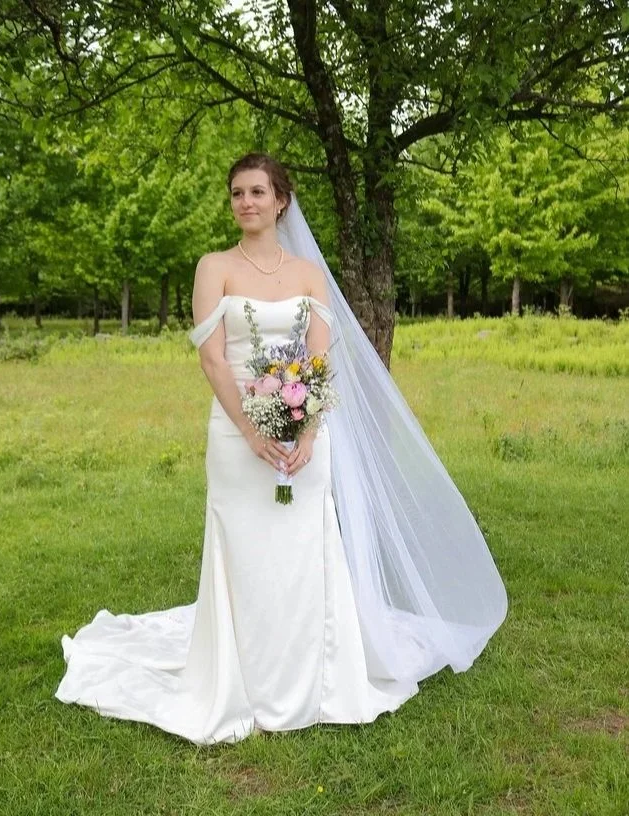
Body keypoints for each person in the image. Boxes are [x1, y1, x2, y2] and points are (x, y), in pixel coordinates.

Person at [55, 153, 508, 745]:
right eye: (238, 193)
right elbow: (214, 357)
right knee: (242, 549)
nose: (247, 202)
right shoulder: (213, 266)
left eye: (258, 192)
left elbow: (320, 358)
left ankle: (313, 676)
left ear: (281, 201)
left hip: (303, 426)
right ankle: (242, 680)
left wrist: (308, 431)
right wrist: (250, 429)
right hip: (235, 431)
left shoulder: (306, 274)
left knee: (303, 547)